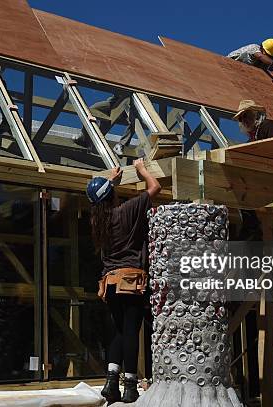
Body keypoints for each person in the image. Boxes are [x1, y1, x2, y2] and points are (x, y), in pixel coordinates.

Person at [87, 158, 161, 403]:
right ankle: (130, 386)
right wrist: (141, 170)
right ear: (111, 197)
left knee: (119, 331)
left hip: (110, 283)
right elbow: (155, 187)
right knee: (131, 331)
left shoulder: (99, 221)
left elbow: (101, 199)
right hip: (130, 280)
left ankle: (111, 382)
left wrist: (110, 182)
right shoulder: (126, 210)